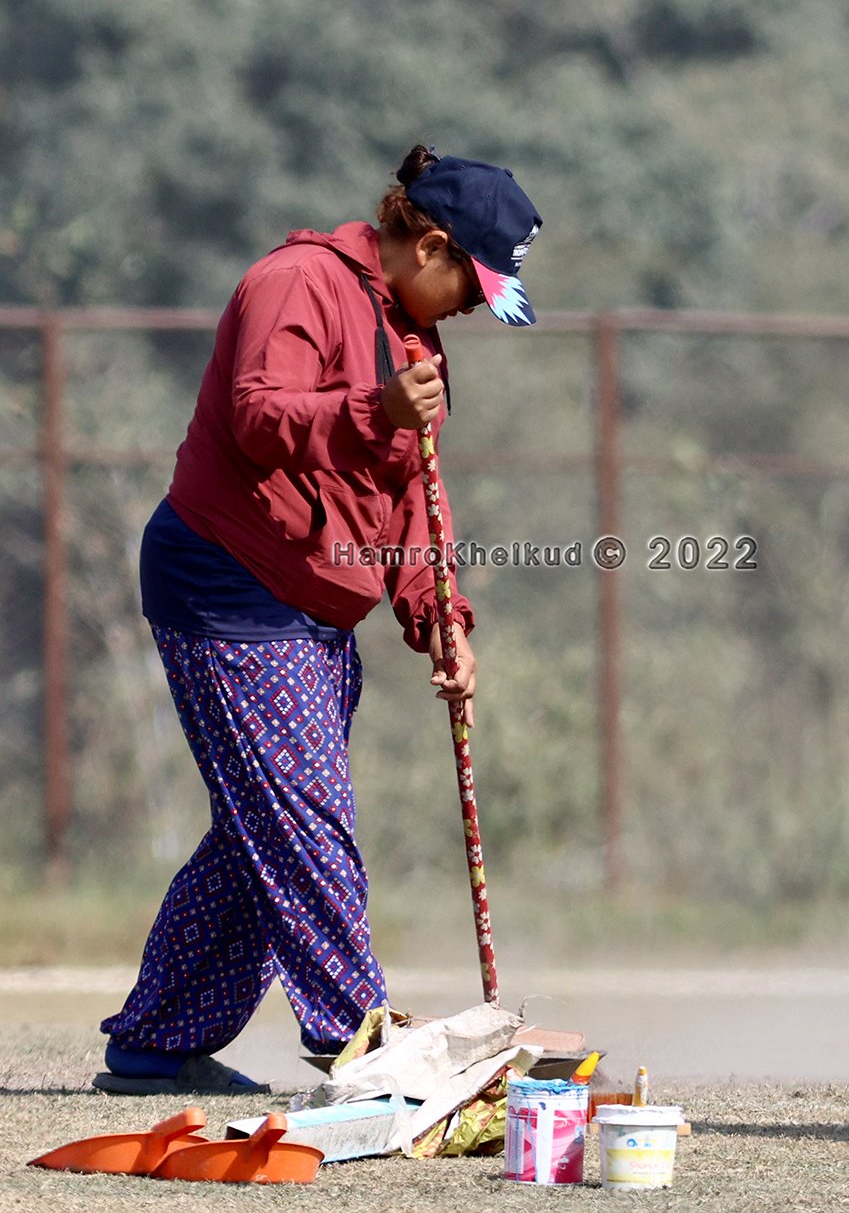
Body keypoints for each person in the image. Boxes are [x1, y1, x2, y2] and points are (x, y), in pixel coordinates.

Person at [95, 146, 543, 1094]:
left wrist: (440, 615)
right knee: (304, 820)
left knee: (263, 828)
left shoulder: (415, 338)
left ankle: (155, 1045)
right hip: (229, 582)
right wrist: (374, 407)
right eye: (473, 286)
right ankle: (359, 1041)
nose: (473, 309)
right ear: (431, 246)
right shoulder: (295, 281)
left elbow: (412, 493)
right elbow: (258, 419)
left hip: (314, 606)